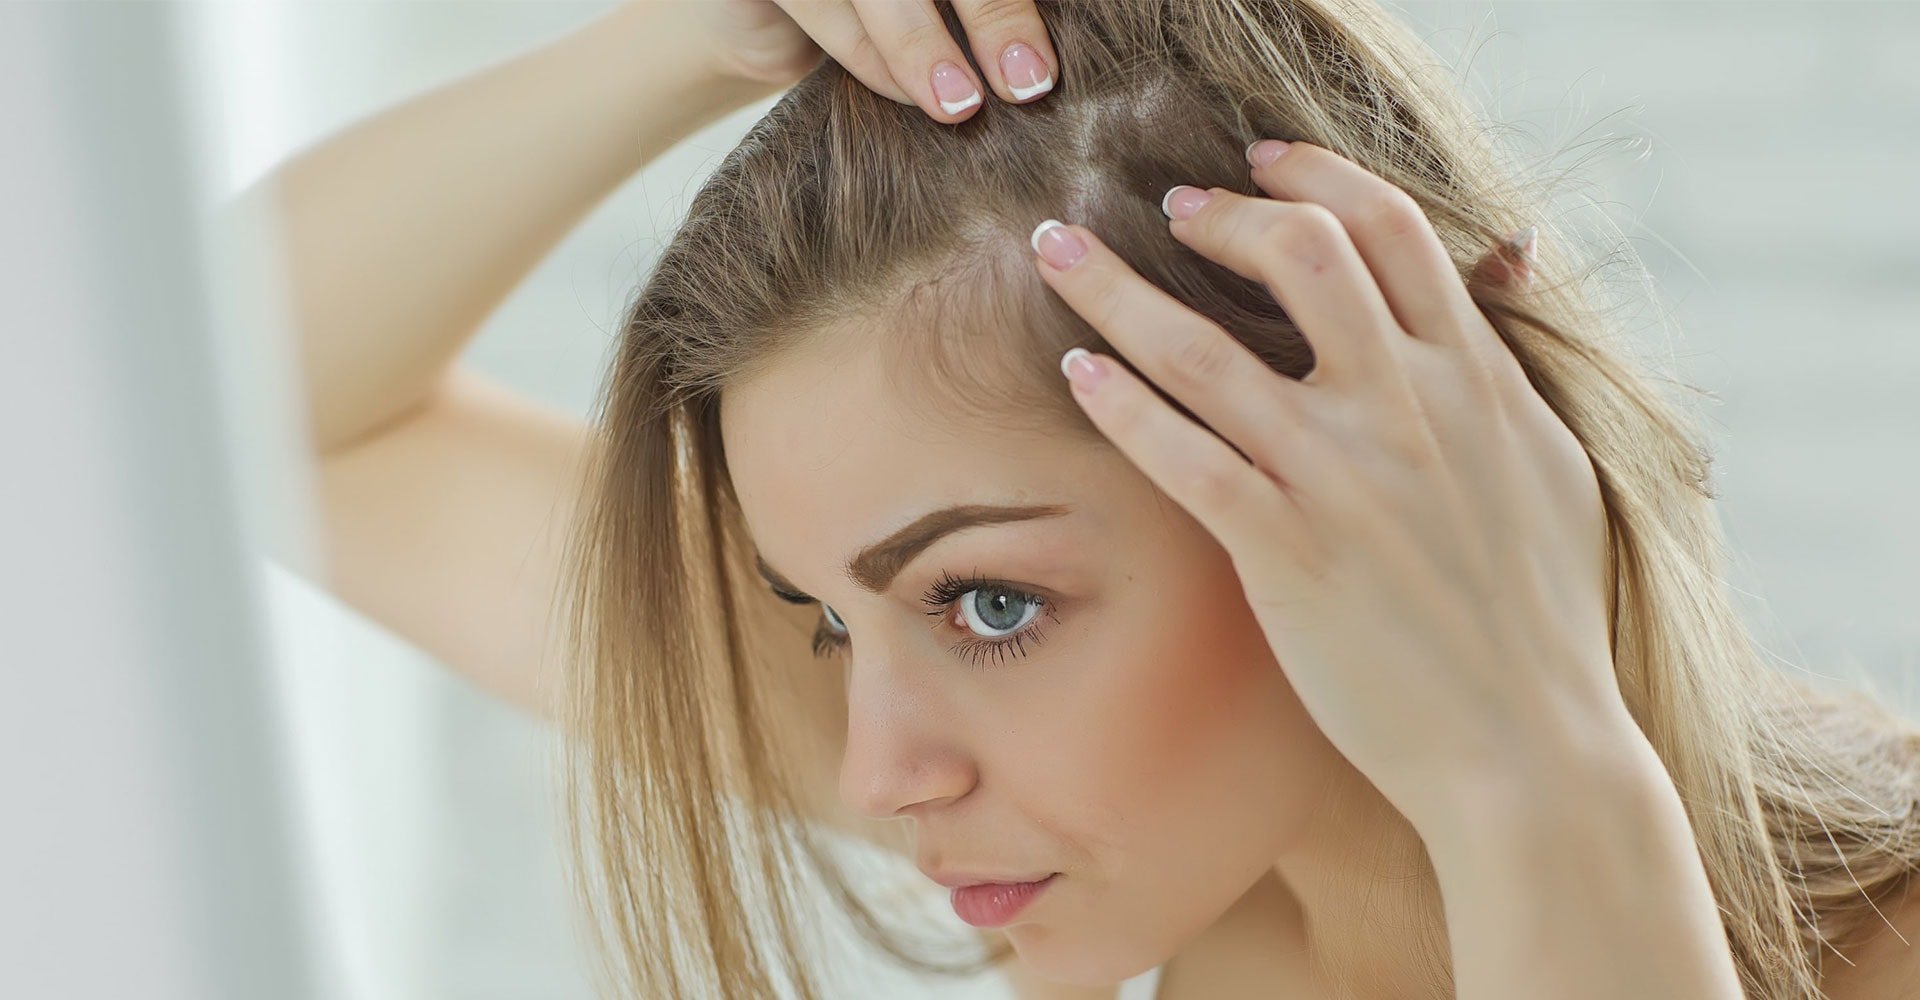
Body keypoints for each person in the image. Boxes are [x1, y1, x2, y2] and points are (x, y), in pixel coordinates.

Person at [247, 1, 1920, 998]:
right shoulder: (1171, 824)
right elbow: (261, 415)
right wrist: (701, 34)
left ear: (1421, 448)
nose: (876, 768)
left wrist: (1532, 774)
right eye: (826, 615)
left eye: (990, 605)